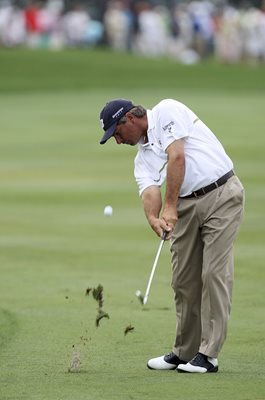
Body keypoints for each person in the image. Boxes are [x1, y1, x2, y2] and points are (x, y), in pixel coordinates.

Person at [99, 98, 245, 373]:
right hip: (186, 205)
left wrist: (169, 207)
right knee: (183, 279)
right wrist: (154, 218)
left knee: (213, 273)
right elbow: (149, 191)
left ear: (129, 119)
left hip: (221, 193)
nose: (118, 141)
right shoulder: (142, 157)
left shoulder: (167, 110)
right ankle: (184, 352)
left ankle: (208, 355)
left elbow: (177, 155)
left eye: (117, 134)